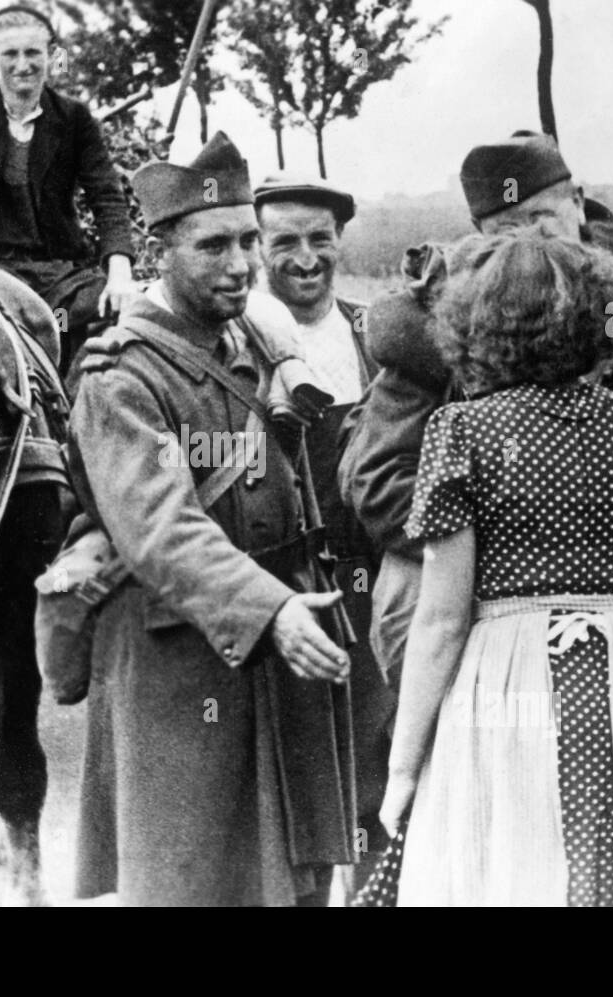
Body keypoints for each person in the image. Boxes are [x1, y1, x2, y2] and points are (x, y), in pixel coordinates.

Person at [340, 131, 613, 833]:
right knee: (500, 814)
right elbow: (374, 477)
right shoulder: (440, 319)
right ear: (477, 236)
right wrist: (495, 529)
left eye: (543, 221)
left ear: (579, 204)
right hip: (489, 620)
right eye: (505, 231)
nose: (529, 243)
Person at [380, 232, 613, 905]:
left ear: (477, 330)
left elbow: (442, 620)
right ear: (600, 321)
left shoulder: (462, 430)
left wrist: (402, 766)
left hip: (509, 666)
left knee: (515, 857)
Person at [67, 133, 357, 907]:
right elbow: (162, 529)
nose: (239, 264)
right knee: (190, 883)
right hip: (179, 668)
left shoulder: (256, 340)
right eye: (213, 245)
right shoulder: (121, 374)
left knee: (293, 886)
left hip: (276, 656)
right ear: (162, 248)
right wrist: (273, 609)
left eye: (247, 242)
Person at [254, 173, 394, 898]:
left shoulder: (380, 337)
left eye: (320, 239)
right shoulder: (236, 343)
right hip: (283, 595)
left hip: (374, 593)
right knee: (298, 793)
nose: (305, 257)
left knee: (379, 776)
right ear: (257, 249)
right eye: (284, 242)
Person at [0, 3, 136, 370]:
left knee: (122, 312)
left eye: (33, 52)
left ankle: (75, 406)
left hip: (56, 274)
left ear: (51, 56)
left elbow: (106, 196)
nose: (22, 65)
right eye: (10, 54)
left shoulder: (74, 119)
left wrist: (120, 272)